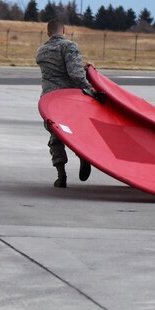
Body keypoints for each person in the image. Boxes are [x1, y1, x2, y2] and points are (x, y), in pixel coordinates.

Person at [36, 18, 93, 188]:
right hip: (67, 100)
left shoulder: (41, 51)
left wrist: (82, 66)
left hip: (49, 102)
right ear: (64, 30)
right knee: (76, 132)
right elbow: (74, 74)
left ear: (48, 33)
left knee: (56, 137)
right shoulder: (69, 46)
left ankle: (61, 176)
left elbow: (57, 70)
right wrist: (91, 89)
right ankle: (82, 155)